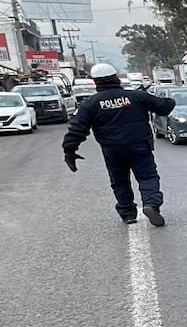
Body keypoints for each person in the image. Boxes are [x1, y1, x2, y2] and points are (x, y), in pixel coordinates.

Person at [61, 63, 177, 226]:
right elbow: (165, 106)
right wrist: (162, 97)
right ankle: (151, 205)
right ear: (116, 78)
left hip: (112, 149)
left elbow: (77, 129)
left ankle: (128, 213)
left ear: (96, 82)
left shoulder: (90, 104)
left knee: (120, 180)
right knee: (147, 177)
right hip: (139, 145)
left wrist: (69, 152)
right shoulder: (136, 96)